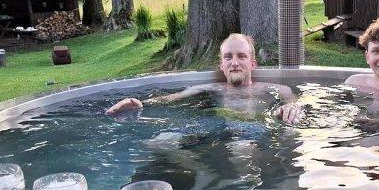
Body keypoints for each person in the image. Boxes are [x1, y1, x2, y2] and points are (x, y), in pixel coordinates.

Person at [105, 33, 303, 124]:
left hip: (257, 130)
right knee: (161, 142)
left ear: (253, 64)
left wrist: (288, 109)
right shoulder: (213, 88)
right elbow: (173, 98)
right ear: (221, 65)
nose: (234, 63)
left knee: (242, 149)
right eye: (228, 57)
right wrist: (140, 104)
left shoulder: (277, 88)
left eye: (241, 56)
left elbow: (294, 105)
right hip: (216, 130)